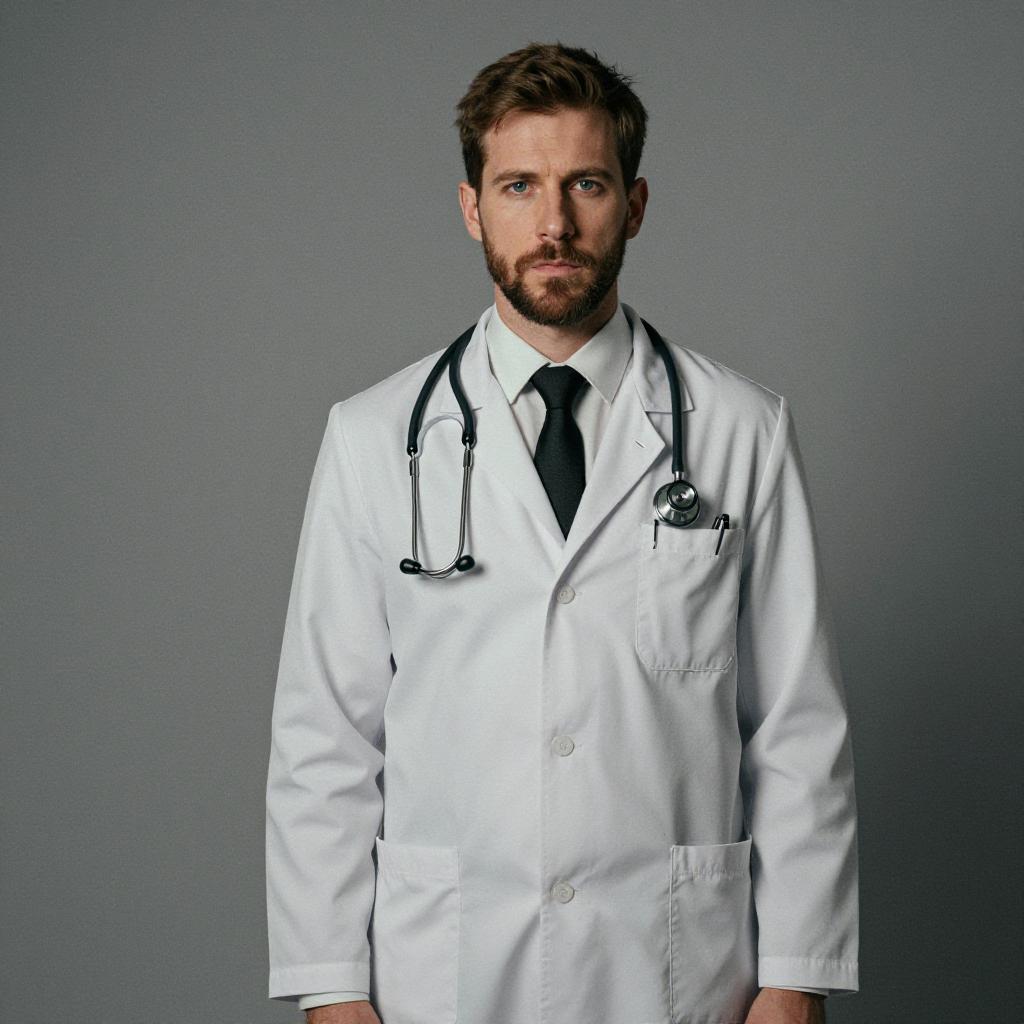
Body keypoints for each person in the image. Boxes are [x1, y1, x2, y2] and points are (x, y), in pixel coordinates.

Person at [265, 41, 858, 1024]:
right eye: (517, 186)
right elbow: (324, 738)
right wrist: (331, 988)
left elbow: (796, 727)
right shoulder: (372, 437)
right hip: (444, 974)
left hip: (675, 974)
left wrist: (793, 976)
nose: (552, 223)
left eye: (585, 183)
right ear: (470, 209)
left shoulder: (743, 430)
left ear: (633, 203)